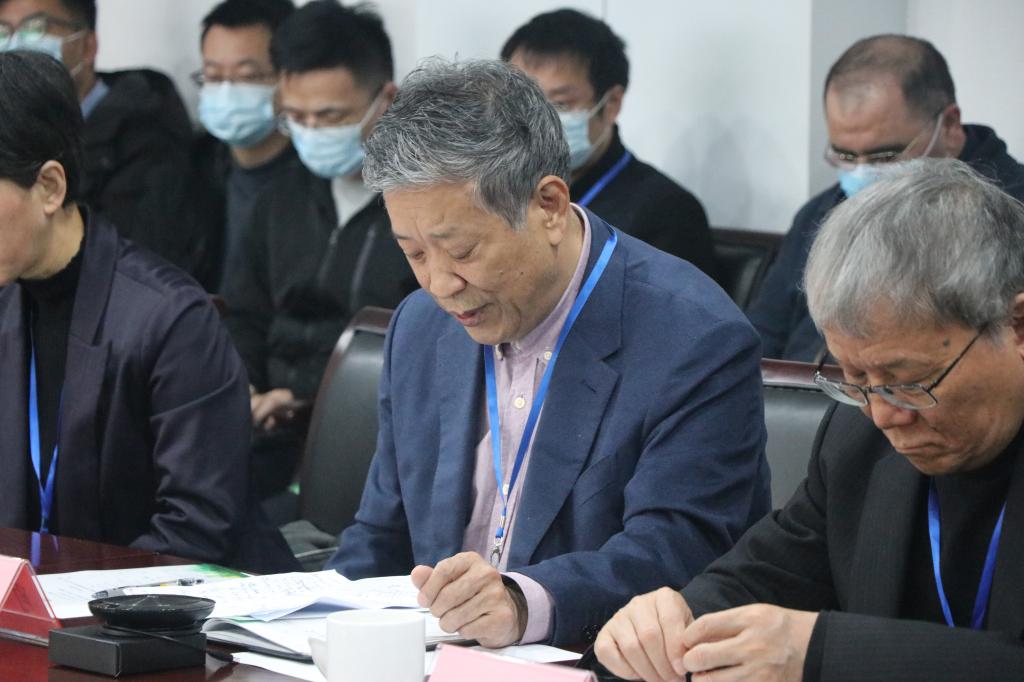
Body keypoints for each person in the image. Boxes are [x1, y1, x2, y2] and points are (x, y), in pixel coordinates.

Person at [326, 58, 770, 649]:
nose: (440, 284)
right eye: (414, 253)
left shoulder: (693, 338)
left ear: (550, 206)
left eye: (462, 250)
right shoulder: (420, 328)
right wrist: (316, 627)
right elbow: (381, 534)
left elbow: (676, 552)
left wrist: (523, 601)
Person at [595, 158, 1024, 681]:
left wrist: (822, 651)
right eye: (855, 378)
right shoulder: (856, 438)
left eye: (910, 381)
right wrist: (675, 619)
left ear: (1016, 326)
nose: (883, 414)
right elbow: (766, 573)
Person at [0, 50, 295, 573]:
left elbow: (197, 528)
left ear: (49, 187)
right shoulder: (9, 297)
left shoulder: (170, 320)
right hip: (36, 603)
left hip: (184, 609)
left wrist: (77, 602)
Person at [221, 0, 416, 498]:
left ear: (386, 100)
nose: (312, 133)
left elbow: (415, 350)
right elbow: (243, 312)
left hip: (373, 442)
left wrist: (305, 399)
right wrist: (244, 388)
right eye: (296, 118)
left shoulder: (422, 209)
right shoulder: (279, 199)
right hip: (263, 432)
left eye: (330, 117)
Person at [747, 34, 1024, 362]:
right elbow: (762, 339)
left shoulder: (1011, 215)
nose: (862, 172)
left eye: (885, 156)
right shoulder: (820, 213)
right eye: (845, 155)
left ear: (949, 125)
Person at [501, 9, 717, 280]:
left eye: (560, 104)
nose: (537, 120)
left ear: (612, 103)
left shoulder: (667, 211)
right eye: (522, 101)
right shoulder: (497, 192)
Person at [0, 0, 202, 274]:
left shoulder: (147, 139)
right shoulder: (12, 129)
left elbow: (141, 262)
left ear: (88, 46)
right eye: (3, 31)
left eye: (37, 27)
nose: (15, 44)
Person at [191, 0, 296, 292]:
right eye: (214, 76)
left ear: (288, 79)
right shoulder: (191, 166)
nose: (227, 93)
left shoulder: (316, 182)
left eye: (248, 77)